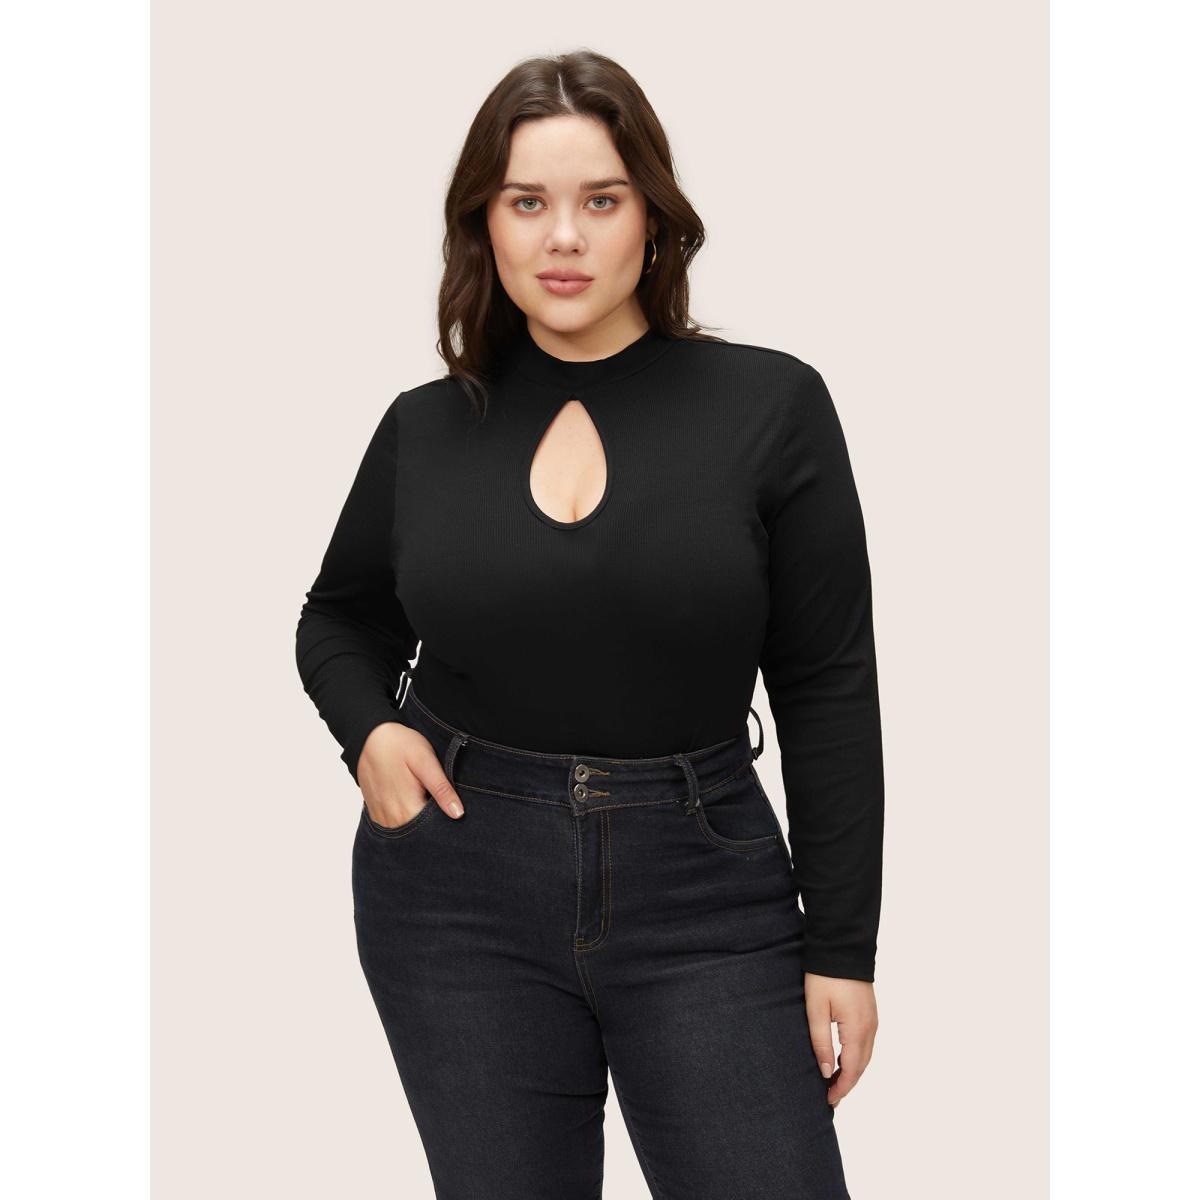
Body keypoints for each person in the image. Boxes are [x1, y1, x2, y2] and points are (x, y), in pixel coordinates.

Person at [295, 48, 883, 1200]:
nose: (563, 237)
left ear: (652, 219)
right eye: (527, 202)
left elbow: (827, 684)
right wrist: (370, 730)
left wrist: (842, 948)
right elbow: (338, 618)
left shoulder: (770, 407)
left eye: (600, 201)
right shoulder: (425, 429)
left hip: (704, 891)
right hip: (456, 892)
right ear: (485, 224)